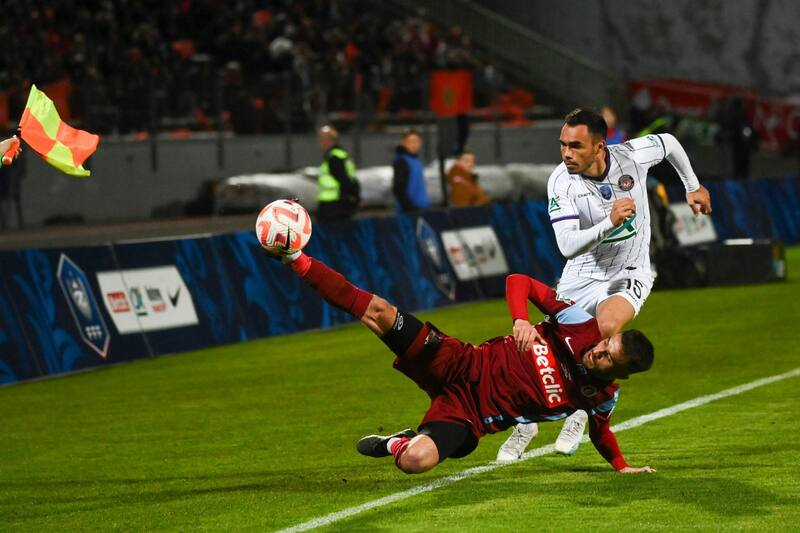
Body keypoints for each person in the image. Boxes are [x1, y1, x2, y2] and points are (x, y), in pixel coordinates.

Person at [273, 243, 656, 475]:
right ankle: (297, 259)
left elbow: (601, 433)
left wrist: (622, 467)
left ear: (621, 373)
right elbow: (518, 281)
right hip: (459, 361)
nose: (600, 349)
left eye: (608, 358)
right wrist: (521, 318)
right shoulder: (580, 325)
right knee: (379, 311)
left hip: (470, 415)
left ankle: (398, 443)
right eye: (608, 344)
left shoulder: (601, 396)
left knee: (415, 462)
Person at [497, 107, 711, 461]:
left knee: (606, 327)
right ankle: (527, 422)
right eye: (563, 144)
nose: (566, 153)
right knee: (547, 349)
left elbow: (670, 143)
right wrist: (609, 223)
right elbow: (567, 245)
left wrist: (692, 185)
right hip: (582, 272)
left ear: (600, 147)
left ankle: (583, 409)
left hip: (631, 268)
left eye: (576, 146)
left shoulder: (630, 156)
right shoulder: (561, 182)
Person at [316, 125, 360, 221]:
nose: (320, 142)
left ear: (328, 141)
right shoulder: (341, 155)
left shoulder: (334, 158)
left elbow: (343, 180)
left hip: (333, 205)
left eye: (321, 139)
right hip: (340, 202)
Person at [392, 129, 430, 213]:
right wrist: (410, 208)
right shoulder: (401, 161)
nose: (414, 144)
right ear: (403, 143)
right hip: (410, 211)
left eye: (416, 141)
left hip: (421, 207)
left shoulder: (416, 160)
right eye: (410, 141)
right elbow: (398, 188)